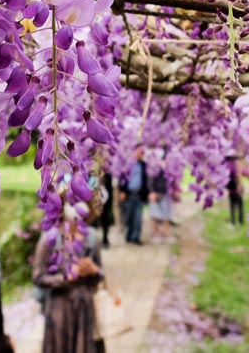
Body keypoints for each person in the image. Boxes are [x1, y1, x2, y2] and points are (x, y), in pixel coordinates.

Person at [32, 204, 103, 353]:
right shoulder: (50, 239)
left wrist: (93, 270)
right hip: (60, 309)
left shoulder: (90, 238)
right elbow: (38, 277)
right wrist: (66, 277)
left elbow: (99, 277)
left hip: (84, 308)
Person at [118, 148, 147, 245]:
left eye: (142, 152)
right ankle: (129, 235)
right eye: (140, 151)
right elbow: (122, 178)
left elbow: (145, 180)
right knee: (128, 216)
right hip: (129, 194)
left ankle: (136, 237)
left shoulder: (143, 165)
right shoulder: (128, 164)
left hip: (138, 194)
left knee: (138, 217)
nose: (141, 153)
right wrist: (122, 191)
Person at [147, 167, 172, 243]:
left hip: (165, 192)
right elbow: (149, 179)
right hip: (154, 193)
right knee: (154, 215)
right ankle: (155, 234)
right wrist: (152, 192)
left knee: (166, 215)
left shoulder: (167, 161)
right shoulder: (152, 161)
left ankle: (166, 234)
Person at [98, 172, 115, 248]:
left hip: (107, 200)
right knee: (102, 220)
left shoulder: (108, 173)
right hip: (97, 198)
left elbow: (110, 187)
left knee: (105, 220)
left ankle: (105, 238)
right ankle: (103, 239)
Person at [227, 157, 244, 226]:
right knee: (237, 207)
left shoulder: (228, 166)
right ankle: (237, 221)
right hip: (233, 190)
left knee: (235, 207)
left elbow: (237, 177)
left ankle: (236, 221)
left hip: (234, 190)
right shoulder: (233, 166)